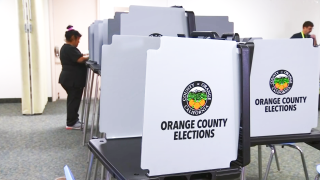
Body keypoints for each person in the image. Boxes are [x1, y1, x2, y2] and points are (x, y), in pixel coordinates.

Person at [59, 25, 89, 130]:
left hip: (69, 79)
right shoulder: (69, 48)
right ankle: (71, 123)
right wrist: (91, 55)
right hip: (72, 80)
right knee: (74, 101)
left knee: (73, 100)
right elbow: (79, 59)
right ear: (73, 38)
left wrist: (85, 55)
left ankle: (74, 120)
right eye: (78, 39)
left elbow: (77, 57)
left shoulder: (66, 48)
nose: (78, 42)